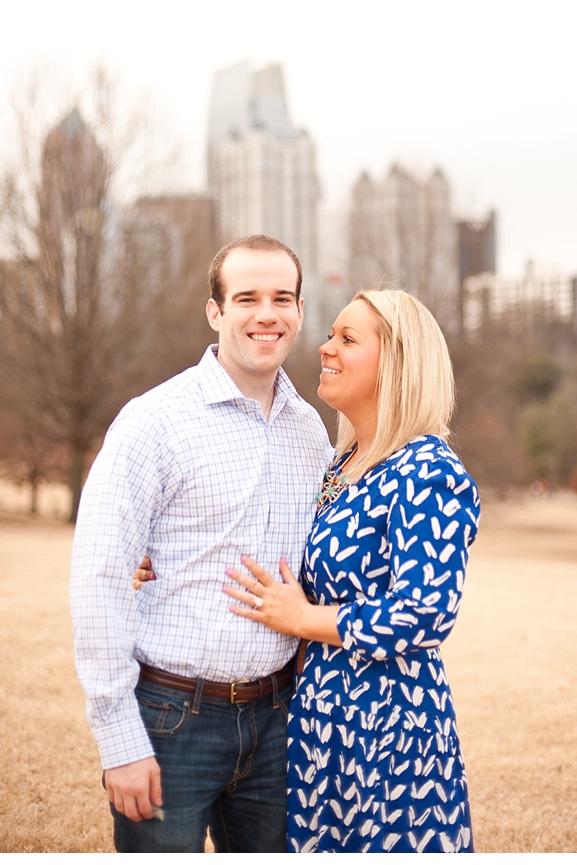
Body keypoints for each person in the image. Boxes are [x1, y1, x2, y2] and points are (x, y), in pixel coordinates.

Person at [70, 235, 334, 852]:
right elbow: (100, 577)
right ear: (215, 313)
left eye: (282, 298)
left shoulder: (309, 429)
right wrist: (120, 740)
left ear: (298, 311)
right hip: (171, 719)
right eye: (247, 298)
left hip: (278, 720)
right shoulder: (153, 421)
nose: (266, 314)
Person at [221, 288, 480, 853]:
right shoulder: (342, 464)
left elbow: (424, 613)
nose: (324, 348)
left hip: (390, 732)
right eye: (330, 335)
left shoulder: (428, 470)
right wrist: (162, 562)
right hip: (319, 725)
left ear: (397, 362)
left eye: (347, 338)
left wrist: (304, 618)